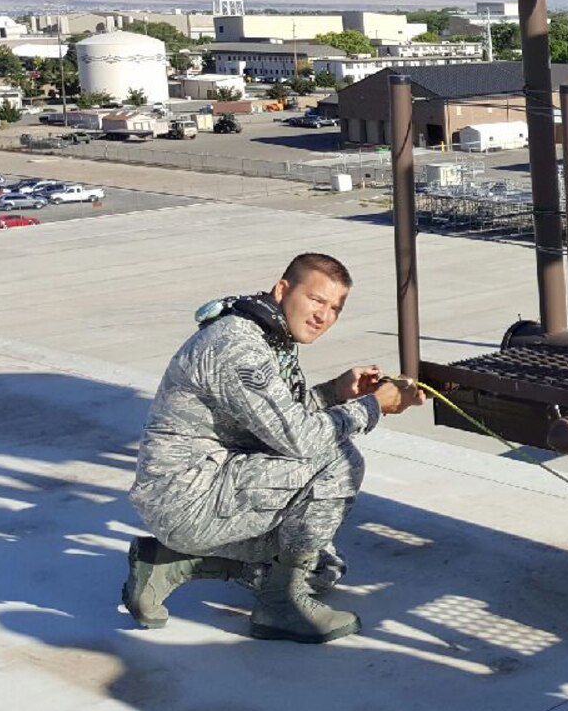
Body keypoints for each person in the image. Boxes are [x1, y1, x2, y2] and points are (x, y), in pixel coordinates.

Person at [122, 252, 427, 643]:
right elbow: (301, 439)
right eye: (317, 300)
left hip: (210, 483)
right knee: (337, 460)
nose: (324, 316)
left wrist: (336, 392)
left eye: (335, 307)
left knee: (321, 569)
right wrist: (373, 406)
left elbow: (275, 421)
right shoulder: (237, 346)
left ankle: (166, 564)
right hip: (186, 498)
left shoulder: (268, 333)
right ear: (283, 289)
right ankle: (280, 607)